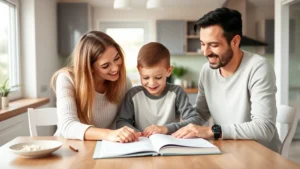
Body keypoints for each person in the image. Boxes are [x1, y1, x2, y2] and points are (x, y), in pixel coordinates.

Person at [172, 7, 281, 152]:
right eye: (203, 44)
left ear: (235, 41)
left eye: (214, 45)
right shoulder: (207, 71)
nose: (205, 52)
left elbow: (264, 128)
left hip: (260, 155)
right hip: (228, 149)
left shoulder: (258, 68)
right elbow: (200, 114)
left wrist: (212, 131)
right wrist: (169, 128)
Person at [51, 31, 139, 143]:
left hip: (106, 147)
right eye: (105, 65)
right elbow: (68, 126)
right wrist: (109, 134)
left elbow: (126, 120)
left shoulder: (124, 82)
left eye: (117, 58)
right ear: (89, 67)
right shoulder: (67, 79)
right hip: (70, 148)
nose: (115, 68)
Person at [116, 42, 202, 137]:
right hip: (141, 142)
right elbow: (122, 122)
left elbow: (195, 121)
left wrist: (165, 128)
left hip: (169, 144)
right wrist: (136, 133)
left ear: (169, 71)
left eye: (158, 77)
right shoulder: (132, 95)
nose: (152, 83)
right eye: (145, 77)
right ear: (139, 70)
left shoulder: (177, 92)